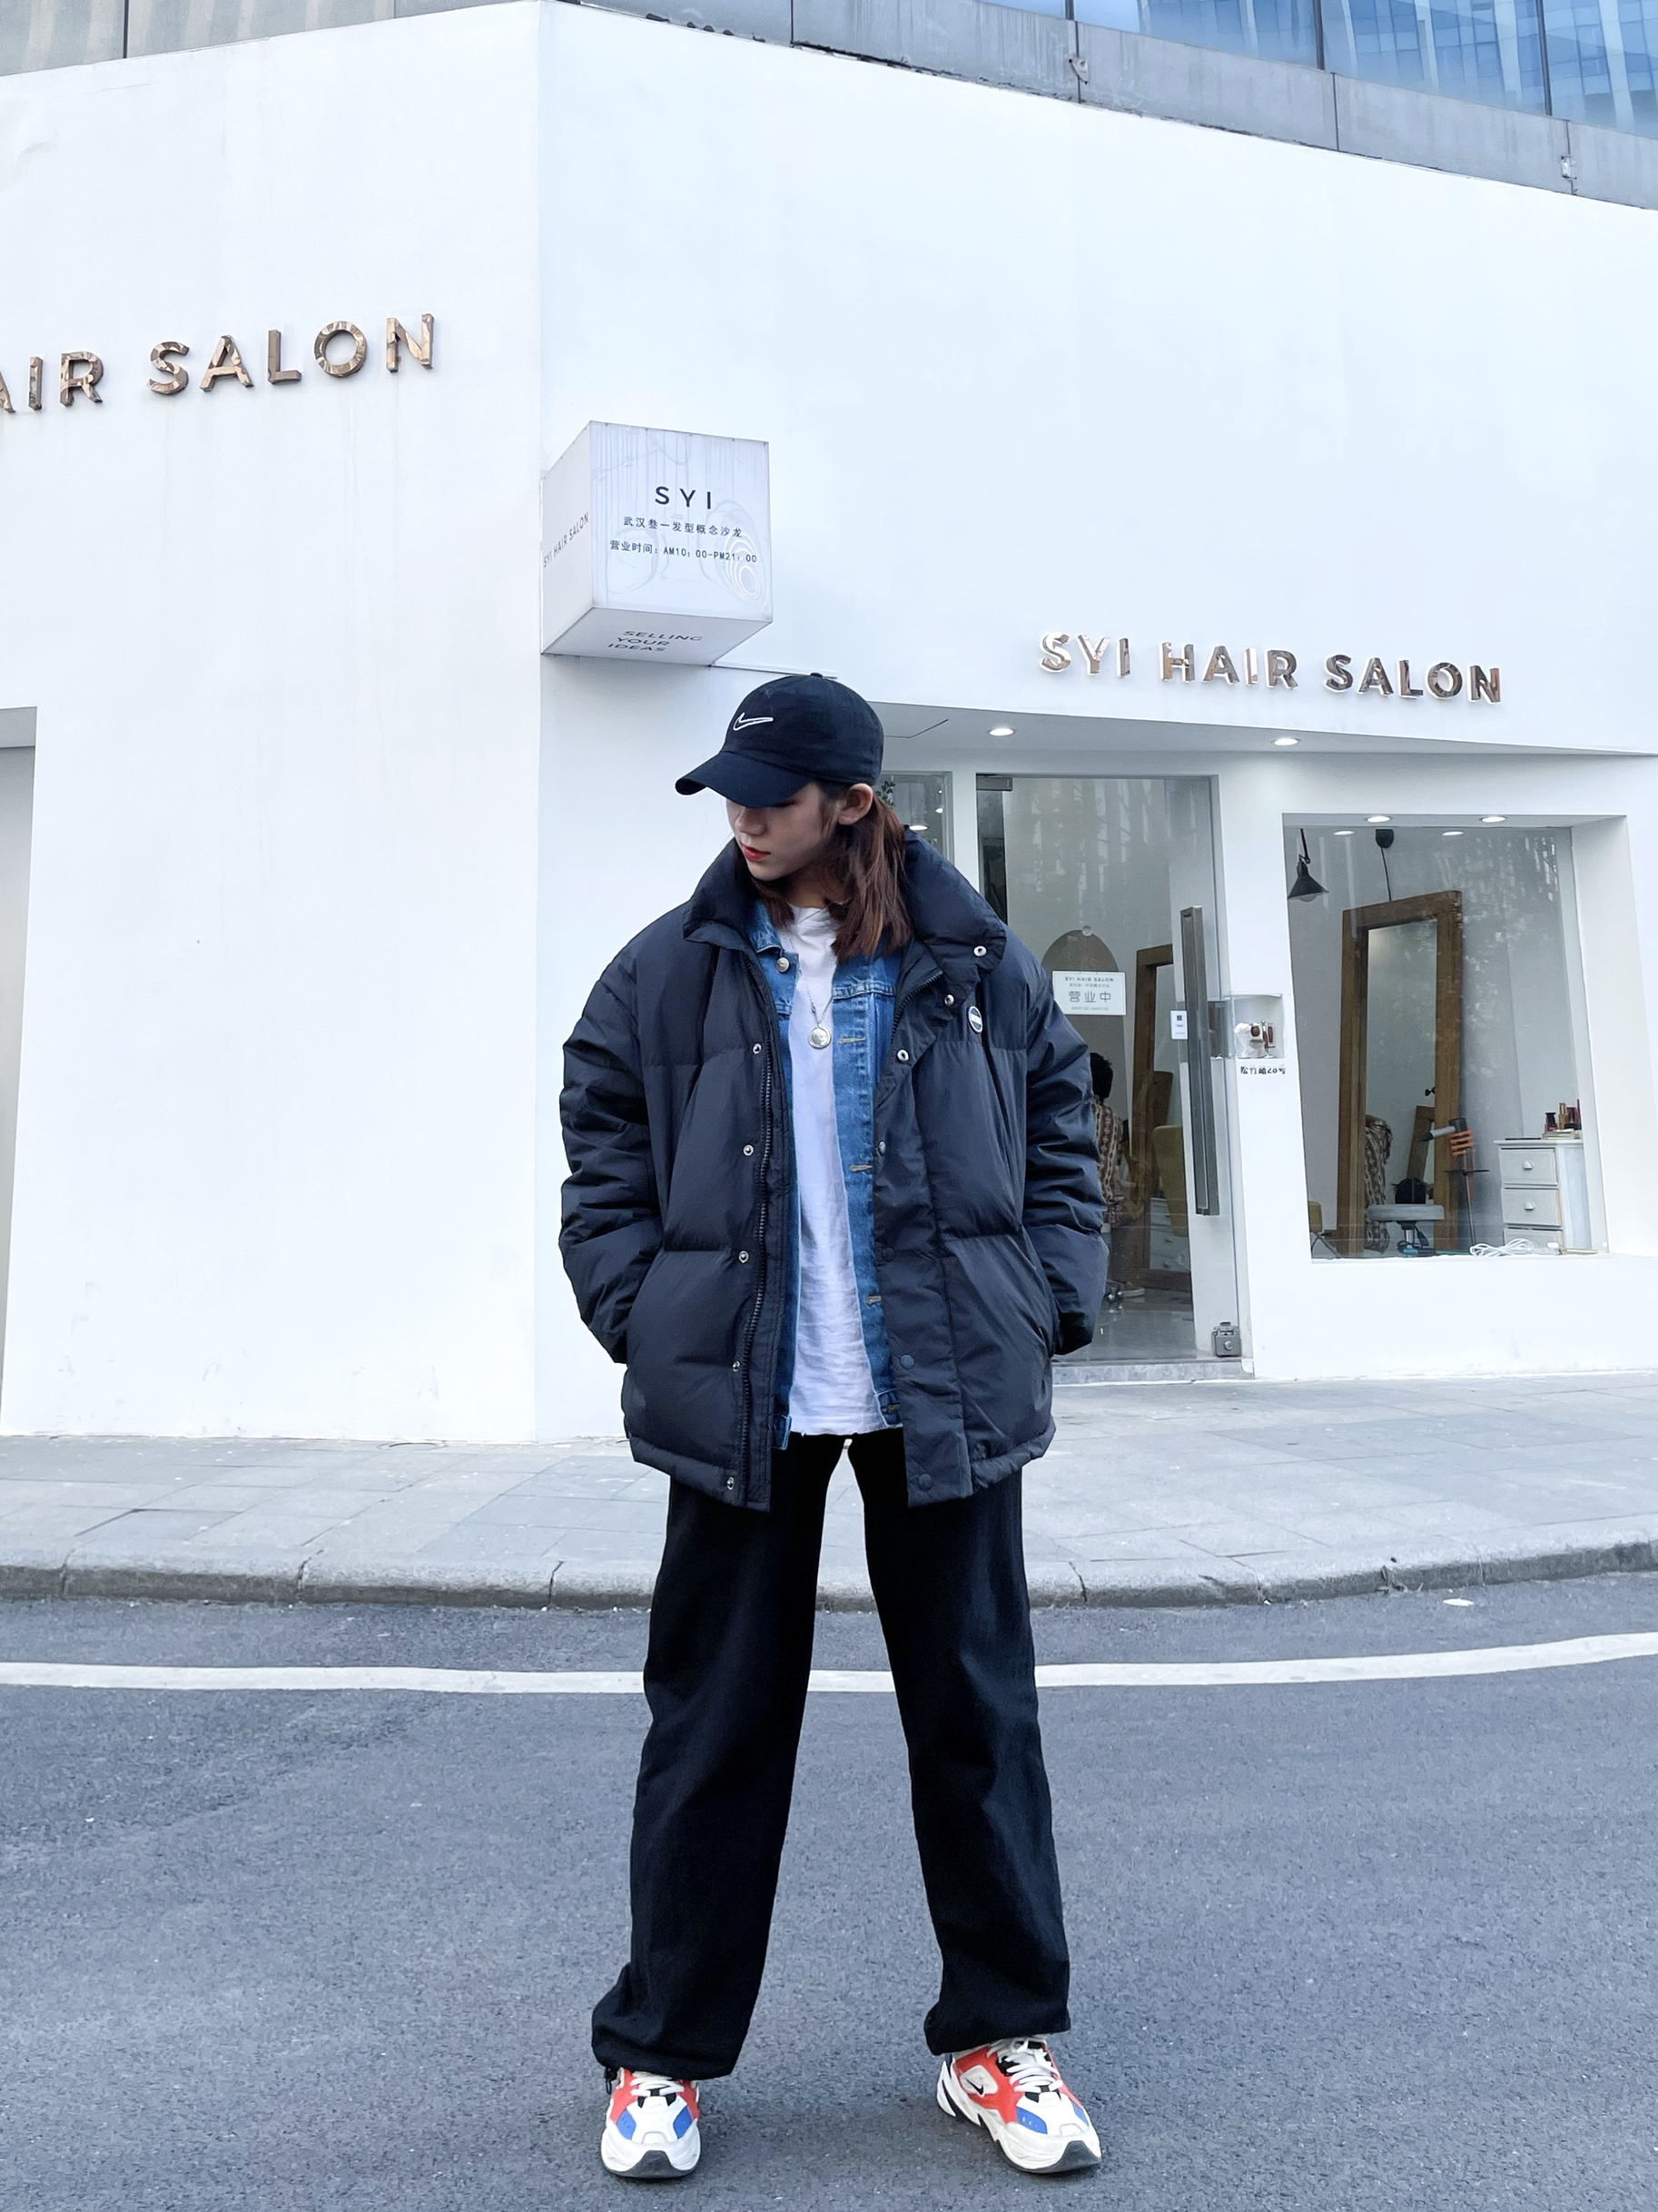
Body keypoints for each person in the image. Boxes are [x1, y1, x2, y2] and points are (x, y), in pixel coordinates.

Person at [559, 674, 1106, 2183]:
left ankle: (998, 2040)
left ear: (853, 802)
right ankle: (659, 2054)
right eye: (727, 797)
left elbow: (1063, 1131)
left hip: (944, 1386)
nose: (741, 820)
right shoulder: (662, 970)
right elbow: (601, 1149)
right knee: (711, 1732)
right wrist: (642, 1312)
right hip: (743, 1394)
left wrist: (1047, 1303)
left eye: (770, 798)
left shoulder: (973, 961)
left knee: (978, 1727)